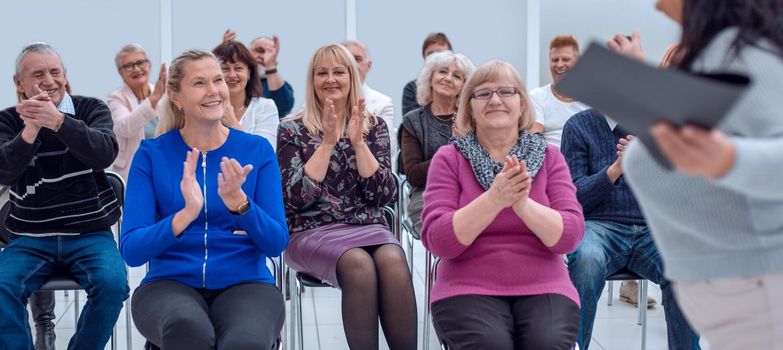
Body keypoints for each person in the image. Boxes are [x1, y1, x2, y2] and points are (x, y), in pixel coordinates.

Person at [612, 1, 783, 349]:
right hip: (735, 298)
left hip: (760, 290)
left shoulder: (741, 50)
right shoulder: (714, 53)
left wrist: (727, 160)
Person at [120, 50, 287, 349]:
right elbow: (132, 250)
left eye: (218, 80)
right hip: (168, 284)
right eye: (199, 83)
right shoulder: (151, 154)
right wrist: (185, 215)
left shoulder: (257, 151)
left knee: (244, 342)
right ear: (176, 96)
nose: (214, 91)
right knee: (188, 330)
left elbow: (276, 243)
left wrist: (241, 205)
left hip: (247, 282)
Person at [422, 60, 584, 349]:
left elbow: (569, 236)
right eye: (483, 94)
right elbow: (438, 240)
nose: (495, 100)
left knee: (546, 342)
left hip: (544, 283)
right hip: (466, 285)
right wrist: (494, 200)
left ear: (522, 104)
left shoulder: (549, 157)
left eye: (506, 92)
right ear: (469, 107)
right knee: (490, 344)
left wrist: (522, 205)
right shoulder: (449, 159)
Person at [278, 44, 416, 350]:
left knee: (393, 260)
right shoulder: (291, 130)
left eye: (339, 71)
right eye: (322, 72)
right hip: (310, 230)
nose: (331, 79)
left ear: (352, 77)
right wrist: (327, 144)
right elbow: (295, 199)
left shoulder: (374, 127)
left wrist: (358, 144)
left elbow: (383, 195)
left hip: (367, 225)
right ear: (311, 80)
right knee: (358, 264)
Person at [0, 42, 129, 350]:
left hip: (89, 233)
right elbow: (3, 172)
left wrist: (58, 122)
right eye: (38, 73)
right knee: (2, 287)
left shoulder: (90, 108)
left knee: (113, 285)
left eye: (55, 72)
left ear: (65, 76)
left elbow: (104, 153)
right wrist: (29, 131)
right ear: (19, 83)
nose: (49, 80)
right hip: (29, 236)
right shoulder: (7, 120)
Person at [561, 108, 700, 350]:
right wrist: (616, 169)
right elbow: (574, 197)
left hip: (653, 228)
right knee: (587, 260)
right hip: (599, 226)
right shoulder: (578, 126)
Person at [400, 50, 474, 234]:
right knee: (450, 232)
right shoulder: (413, 121)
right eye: (442, 72)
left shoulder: (473, 120)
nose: (448, 78)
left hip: (471, 193)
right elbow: (414, 175)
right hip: (426, 195)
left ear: (464, 86)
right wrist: (453, 150)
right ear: (430, 77)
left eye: (457, 76)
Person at [108, 43, 166, 180]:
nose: (136, 69)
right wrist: (153, 99)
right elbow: (124, 128)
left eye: (140, 63)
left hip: (163, 164)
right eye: (129, 66)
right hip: (133, 169)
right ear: (120, 72)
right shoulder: (116, 98)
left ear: (149, 65)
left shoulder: (162, 93)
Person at [212, 40, 279, 148]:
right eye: (225, 69)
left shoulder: (265, 107)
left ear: (249, 73)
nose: (232, 74)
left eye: (238, 68)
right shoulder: (207, 108)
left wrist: (233, 123)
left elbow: (265, 153)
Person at [528, 35, 589, 148]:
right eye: (555, 60)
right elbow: (533, 140)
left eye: (565, 59)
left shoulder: (592, 99)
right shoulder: (538, 96)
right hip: (551, 162)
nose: (559, 65)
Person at [224, 29, 295, 117]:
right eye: (259, 50)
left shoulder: (280, 86)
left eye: (270, 52)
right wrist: (226, 53)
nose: (263, 56)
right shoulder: (232, 77)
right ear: (247, 53)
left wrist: (270, 65)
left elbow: (283, 108)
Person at [342, 40, 396, 154]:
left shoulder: (383, 103)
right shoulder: (318, 100)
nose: (352, 64)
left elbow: (388, 148)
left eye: (357, 59)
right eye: (346, 59)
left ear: (369, 65)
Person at [401, 32, 452, 116]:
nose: (435, 58)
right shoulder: (411, 88)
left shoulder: (461, 85)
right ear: (424, 57)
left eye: (440, 53)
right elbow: (411, 122)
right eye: (430, 54)